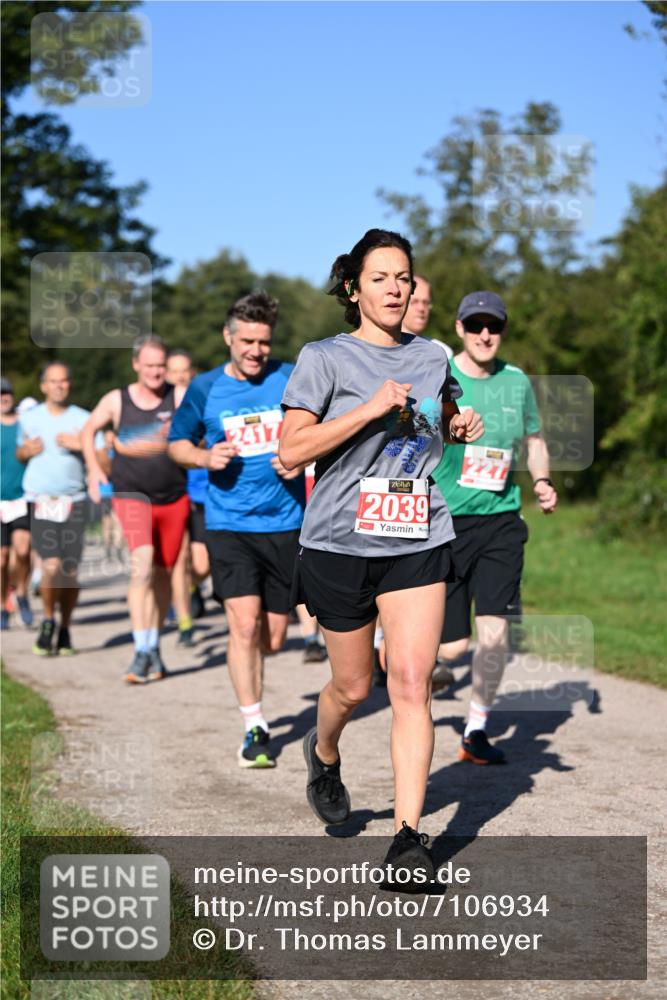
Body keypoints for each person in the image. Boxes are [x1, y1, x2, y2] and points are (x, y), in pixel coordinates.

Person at [279, 229, 483, 882]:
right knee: (351, 685)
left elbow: (431, 427)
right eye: (379, 278)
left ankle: (406, 840)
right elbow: (290, 452)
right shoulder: (324, 358)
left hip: (416, 536)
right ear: (352, 288)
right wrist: (367, 410)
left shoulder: (431, 356)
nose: (394, 288)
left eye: (403, 277)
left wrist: (455, 426)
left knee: (408, 684)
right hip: (337, 542)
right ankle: (325, 750)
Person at [168, 292, 306, 769]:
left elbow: (320, 432)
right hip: (229, 523)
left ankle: (257, 689)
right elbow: (176, 444)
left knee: (273, 638)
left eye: (263, 342)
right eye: (246, 340)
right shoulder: (205, 389)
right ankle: (254, 724)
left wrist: (300, 457)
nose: (255, 350)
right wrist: (205, 457)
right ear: (228, 337)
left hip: (287, 522)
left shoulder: (290, 378)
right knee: (242, 626)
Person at [432, 291, 558, 764]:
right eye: (476, 325)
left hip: (501, 522)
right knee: (452, 648)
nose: (486, 334)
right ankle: (406, 660)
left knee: (495, 635)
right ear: (460, 328)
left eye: (494, 326)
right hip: (445, 522)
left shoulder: (516, 380)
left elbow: (533, 437)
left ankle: (476, 729)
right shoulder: (442, 381)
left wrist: (542, 480)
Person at [82, 335, 190, 683]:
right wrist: (94, 470)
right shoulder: (117, 399)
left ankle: (154, 646)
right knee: (141, 568)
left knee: (161, 574)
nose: (156, 372)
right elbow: (88, 431)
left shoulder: (179, 396)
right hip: (131, 496)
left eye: (161, 365)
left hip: (173, 497)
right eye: (149, 366)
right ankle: (141, 650)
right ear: (136, 365)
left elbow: (202, 430)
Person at [16, 363, 102, 655]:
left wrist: (82, 446)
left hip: (75, 501)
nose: (59, 386)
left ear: (70, 384)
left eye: (64, 381)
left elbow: (105, 465)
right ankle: (48, 619)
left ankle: (65, 627)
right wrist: (26, 451)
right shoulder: (29, 418)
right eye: (53, 381)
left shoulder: (84, 419)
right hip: (42, 499)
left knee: (70, 570)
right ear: (43, 386)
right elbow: (20, 453)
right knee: (51, 565)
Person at [165, 348, 210, 631]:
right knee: (179, 557)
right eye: (174, 371)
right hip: (176, 492)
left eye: (185, 369)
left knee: (202, 564)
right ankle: (184, 617)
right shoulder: (161, 406)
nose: (180, 375)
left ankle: (191, 587)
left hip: (204, 489)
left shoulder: (202, 399)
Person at [1, 378, 33, 629]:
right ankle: (3, 604)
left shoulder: (26, 425)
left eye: (7, 393)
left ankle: (22, 593)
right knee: (2, 559)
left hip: (23, 497)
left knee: (22, 552)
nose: (4, 398)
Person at [403, 274, 453, 358]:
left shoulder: (443, 353)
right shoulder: (382, 348)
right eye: (414, 301)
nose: (421, 308)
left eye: (426, 303)